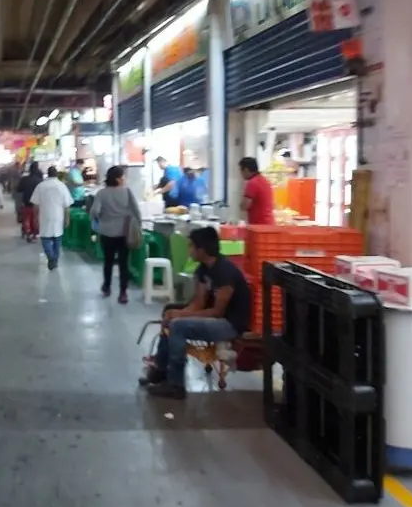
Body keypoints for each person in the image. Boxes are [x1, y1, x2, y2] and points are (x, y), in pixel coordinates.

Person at [141, 227, 252, 400]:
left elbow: (217, 312)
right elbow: (198, 303)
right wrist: (176, 313)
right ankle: (162, 370)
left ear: (202, 249)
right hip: (216, 317)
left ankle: (176, 385)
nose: (189, 250)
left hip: (229, 324)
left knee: (178, 327)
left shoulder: (225, 272)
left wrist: (181, 317)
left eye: (191, 246)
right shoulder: (202, 269)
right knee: (170, 313)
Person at [90, 165, 141, 304]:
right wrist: (139, 225)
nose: (124, 179)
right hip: (124, 233)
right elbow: (136, 211)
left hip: (106, 233)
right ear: (118, 179)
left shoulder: (102, 193)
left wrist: (100, 220)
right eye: (123, 176)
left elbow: (94, 211)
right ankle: (123, 293)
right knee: (124, 263)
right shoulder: (127, 192)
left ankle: (107, 287)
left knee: (108, 261)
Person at [30, 166, 73, 270]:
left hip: (45, 215)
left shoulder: (41, 186)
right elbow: (67, 205)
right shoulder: (62, 186)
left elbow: (35, 205)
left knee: (45, 238)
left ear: (47, 174)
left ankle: (50, 257)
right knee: (57, 239)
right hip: (58, 216)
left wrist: (35, 217)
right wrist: (67, 218)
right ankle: (55, 259)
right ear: (57, 174)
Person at [239, 156, 276, 225]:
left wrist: (241, 205)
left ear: (246, 169)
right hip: (269, 223)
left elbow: (244, 205)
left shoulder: (252, 183)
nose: (241, 174)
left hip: (259, 226)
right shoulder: (265, 180)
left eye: (241, 170)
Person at [17, 162, 43, 243]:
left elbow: (19, 189)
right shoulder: (40, 180)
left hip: (26, 202)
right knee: (35, 219)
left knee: (26, 218)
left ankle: (28, 232)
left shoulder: (24, 179)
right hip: (37, 203)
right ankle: (34, 235)